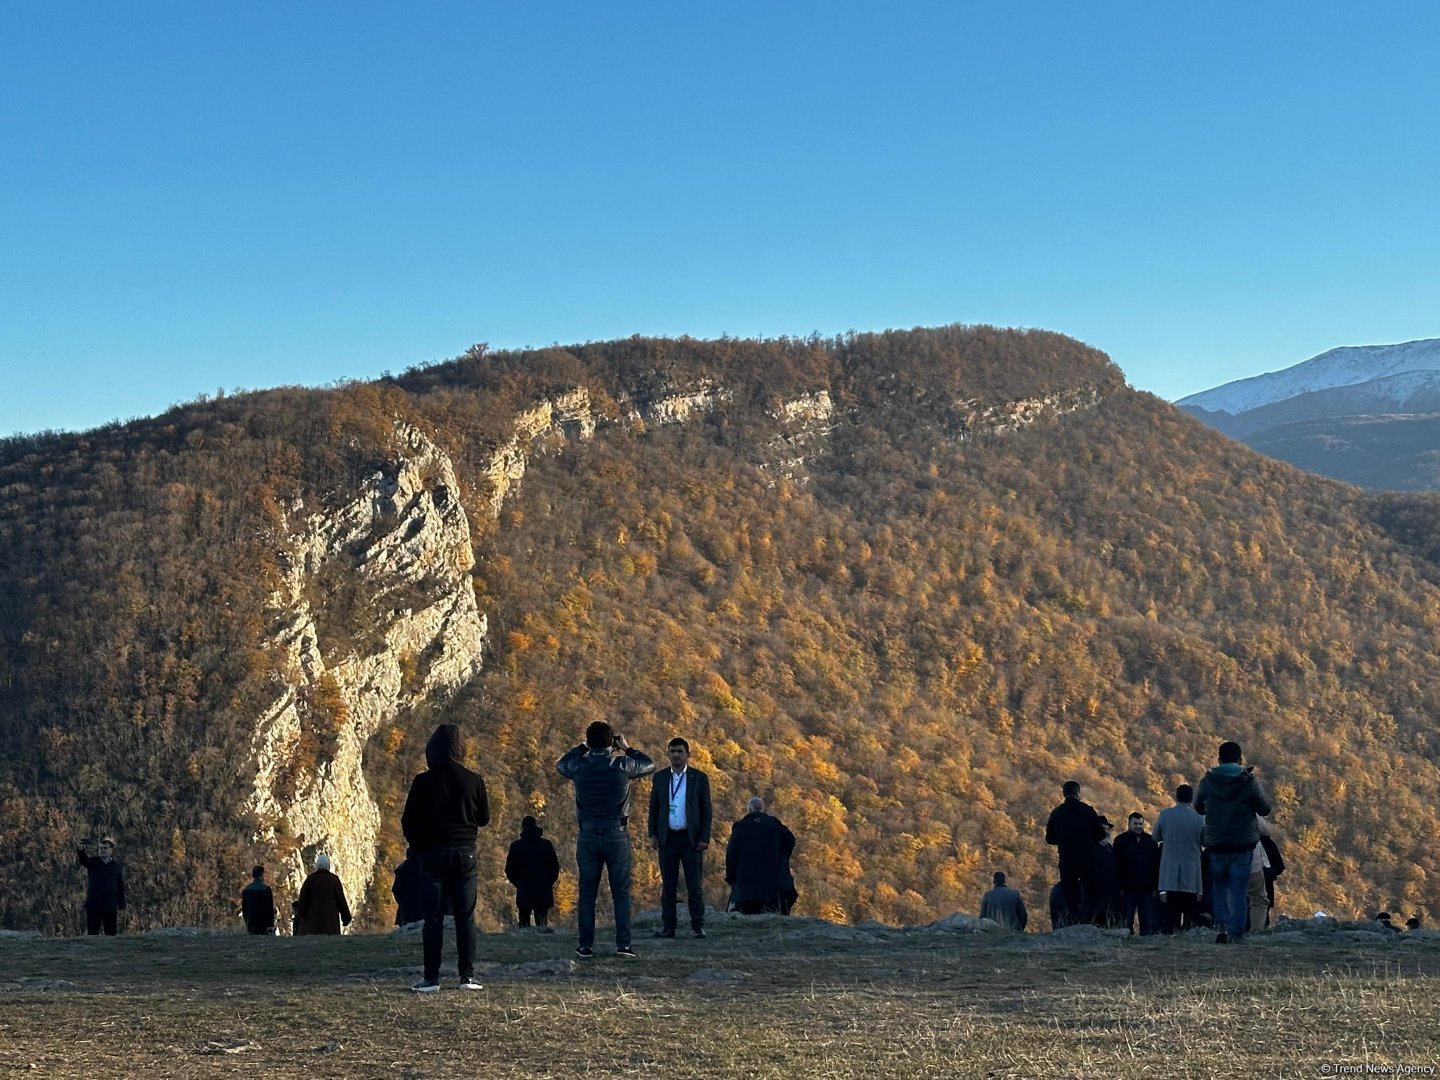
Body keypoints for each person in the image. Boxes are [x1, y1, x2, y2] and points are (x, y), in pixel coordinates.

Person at [401, 723, 491, 991]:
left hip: (432, 854)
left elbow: (408, 821)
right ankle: (468, 976)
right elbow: (483, 819)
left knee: (434, 918)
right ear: (460, 749)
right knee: (465, 916)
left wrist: (419, 847)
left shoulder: (422, 781)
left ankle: (431, 978)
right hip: (465, 853)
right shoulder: (473, 780)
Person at [556, 720, 656, 959]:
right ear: (612, 742)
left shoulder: (580, 765)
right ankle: (623, 945)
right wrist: (627, 748)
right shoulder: (622, 765)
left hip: (588, 832)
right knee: (620, 892)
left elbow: (561, 765)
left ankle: (585, 946)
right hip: (616, 832)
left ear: (589, 741)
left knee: (587, 892)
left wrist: (581, 748)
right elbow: (649, 764)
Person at [1194, 741, 1273, 944]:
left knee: (1219, 884)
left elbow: (1198, 807)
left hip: (1217, 842)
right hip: (1242, 843)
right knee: (1239, 888)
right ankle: (1236, 932)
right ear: (1240, 760)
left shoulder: (1208, 781)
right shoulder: (1248, 782)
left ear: (1219, 760)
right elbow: (1265, 808)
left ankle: (1220, 925)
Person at [647, 736, 713, 939]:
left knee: (694, 885)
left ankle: (697, 925)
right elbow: (654, 808)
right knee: (668, 886)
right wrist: (652, 834)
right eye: (672, 751)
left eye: (679, 751)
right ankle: (669, 926)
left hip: (690, 839)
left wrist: (704, 837)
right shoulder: (659, 778)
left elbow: (706, 809)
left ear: (688, 755)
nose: (676, 755)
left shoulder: (699, 777)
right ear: (668, 754)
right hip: (668, 838)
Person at [1045, 781, 1104, 924]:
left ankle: (1072, 921)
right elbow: (1100, 834)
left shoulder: (1057, 813)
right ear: (1078, 793)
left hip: (1067, 858)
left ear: (1064, 794)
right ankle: (1090, 922)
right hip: (1087, 858)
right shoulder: (1087, 810)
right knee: (1091, 891)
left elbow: (1049, 838)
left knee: (1069, 893)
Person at [725, 797, 797, 914]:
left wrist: (730, 875)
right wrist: (781, 857)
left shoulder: (740, 827)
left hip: (745, 886)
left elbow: (731, 853)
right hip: (770, 884)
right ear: (762, 809)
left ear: (749, 809)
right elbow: (790, 840)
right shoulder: (774, 825)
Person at [1154, 784, 1205, 933]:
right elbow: (1205, 841)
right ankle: (1186, 936)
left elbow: (1155, 837)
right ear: (1192, 799)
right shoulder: (1198, 819)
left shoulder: (1165, 815)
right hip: (1191, 873)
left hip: (1170, 872)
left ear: (1176, 797)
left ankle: (1171, 935)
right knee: (1189, 913)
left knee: (1171, 913)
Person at [505, 816, 560, 928]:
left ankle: (524, 944)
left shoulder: (516, 846)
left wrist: (519, 883)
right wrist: (548, 883)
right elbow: (554, 868)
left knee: (524, 924)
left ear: (523, 828)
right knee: (542, 923)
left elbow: (509, 870)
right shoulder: (546, 845)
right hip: (543, 888)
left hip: (524, 889)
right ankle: (543, 944)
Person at [1113, 812, 1160, 936]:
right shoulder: (1120, 841)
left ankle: (1147, 948)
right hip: (1127, 889)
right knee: (1126, 921)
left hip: (1147, 889)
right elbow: (1116, 866)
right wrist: (1119, 887)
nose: (1138, 826)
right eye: (1135, 824)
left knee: (1147, 922)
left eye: (1140, 824)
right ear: (1129, 824)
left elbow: (1156, 866)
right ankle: (1127, 946)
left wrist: (1155, 887)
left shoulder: (1151, 841)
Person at [76, 837, 126, 936]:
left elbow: (120, 886)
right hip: (94, 904)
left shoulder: (116, 866)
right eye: (101, 848)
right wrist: (81, 850)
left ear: (111, 851)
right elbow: (84, 860)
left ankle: (109, 951)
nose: (103, 850)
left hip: (110, 904)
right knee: (93, 932)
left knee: (111, 933)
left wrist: (121, 903)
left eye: (105, 848)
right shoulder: (93, 862)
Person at [294, 853, 352, 935]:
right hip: (331, 926)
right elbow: (341, 901)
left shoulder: (310, 880)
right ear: (328, 865)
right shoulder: (334, 880)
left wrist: (302, 916)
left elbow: (303, 901)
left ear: (317, 866)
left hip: (312, 926)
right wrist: (346, 918)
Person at [1091, 816, 1120, 927]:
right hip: (1099, 889)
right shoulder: (1093, 847)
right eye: (1104, 828)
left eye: (1108, 829)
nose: (1107, 831)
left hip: (1112, 889)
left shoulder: (1110, 847)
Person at [241, 865, 277, 935]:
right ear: (262, 874)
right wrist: (271, 924)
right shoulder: (266, 889)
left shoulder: (246, 889)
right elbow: (269, 908)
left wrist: (246, 921)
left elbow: (244, 908)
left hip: (251, 922)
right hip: (263, 923)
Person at [391, 849, 424, 927]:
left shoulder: (402, 868)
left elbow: (396, 890)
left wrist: (401, 901)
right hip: (423, 906)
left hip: (406, 906)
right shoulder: (426, 867)